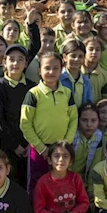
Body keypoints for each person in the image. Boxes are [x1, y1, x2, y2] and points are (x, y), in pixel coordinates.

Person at [20, 52, 78, 195]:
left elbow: (73, 119)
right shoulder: (33, 94)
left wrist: (65, 144)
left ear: (61, 69)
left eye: (55, 68)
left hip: (61, 149)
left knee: (59, 183)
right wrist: (42, 149)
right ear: (39, 70)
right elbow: (25, 124)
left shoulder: (67, 93)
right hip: (39, 150)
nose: (51, 72)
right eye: (47, 68)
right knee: (36, 183)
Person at [0, 44, 33, 186]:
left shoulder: (32, 87)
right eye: (11, 59)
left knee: (27, 183)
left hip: (29, 145)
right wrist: (15, 146)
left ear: (26, 63)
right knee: (9, 182)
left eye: (20, 59)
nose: (15, 63)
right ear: (4, 62)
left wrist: (28, 144)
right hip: (7, 146)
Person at [72, 103, 104, 179]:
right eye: (84, 120)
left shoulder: (98, 136)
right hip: (66, 178)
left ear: (98, 121)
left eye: (93, 120)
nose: (89, 124)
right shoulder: (73, 136)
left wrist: (90, 189)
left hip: (83, 180)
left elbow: (95, 165)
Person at [60, 40, 93, 107]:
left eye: (80, 56)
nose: (76, 59)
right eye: (73, 56)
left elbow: (88, 102)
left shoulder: (86, 81)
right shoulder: (58, 78)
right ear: (65, 57)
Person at [82, 36, 107, 102]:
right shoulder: (76, 72)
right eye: (91, 49)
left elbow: (105, 97)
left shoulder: (104, 75)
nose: (94, 52)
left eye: (97, 50)